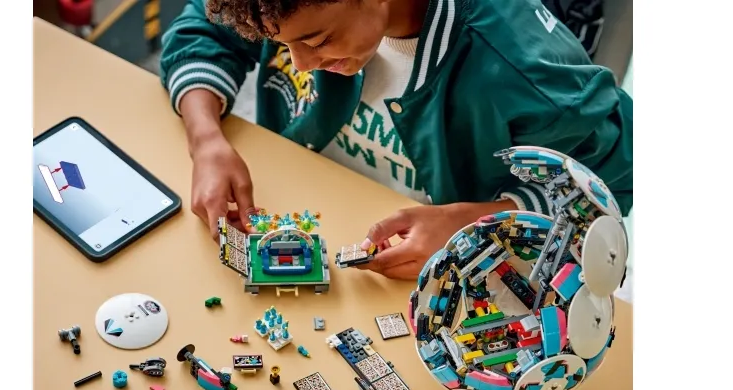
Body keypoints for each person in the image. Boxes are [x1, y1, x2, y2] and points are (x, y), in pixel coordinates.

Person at [159, 0, 632, 280]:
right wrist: (206, 139)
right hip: (315, 204)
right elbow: (203, 27)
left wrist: (475, 223)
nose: (299, 63)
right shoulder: (279, 7)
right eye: (282, 46)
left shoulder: (524, 70)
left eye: (318, 41)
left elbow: (606, 188)